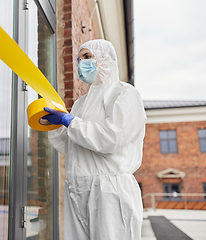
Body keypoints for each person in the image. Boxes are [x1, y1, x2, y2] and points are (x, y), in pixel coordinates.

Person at [42, 39, 146, 240]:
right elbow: (69, 145)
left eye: (87, 57)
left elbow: (111, 139)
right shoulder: (81, 103)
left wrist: (69, 121)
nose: (81, 63)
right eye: (78, 59)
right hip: (77, 189)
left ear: (105, 59)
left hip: (110, 191)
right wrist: (55, 125)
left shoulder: (125, 94)